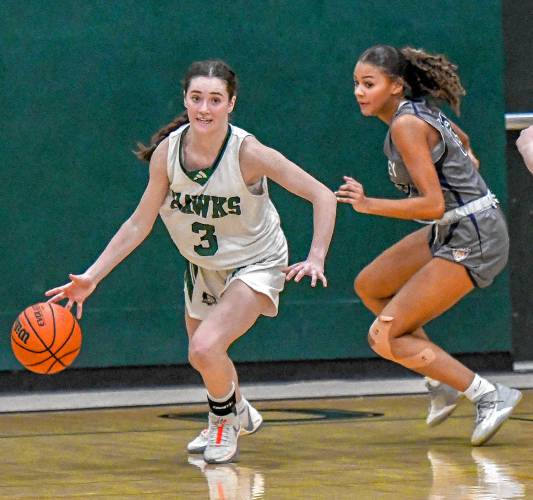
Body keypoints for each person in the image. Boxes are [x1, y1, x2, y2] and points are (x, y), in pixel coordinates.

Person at [46, 60, 337, 464]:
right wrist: (92, 277)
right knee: (204, 357)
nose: (204, 108)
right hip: (203, 265)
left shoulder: (249, 153)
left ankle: (223, 421)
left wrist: (316, 256)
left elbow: (323, 195)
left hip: (257, 261)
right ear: (185, 99)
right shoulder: (168, 153)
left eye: (215, 99)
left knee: (204, 348)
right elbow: (138, 224)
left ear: (231, 103)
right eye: (197, 98)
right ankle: (236, 409)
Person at [336, 45, 521, 446]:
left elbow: (433, 203)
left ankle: (488, 394)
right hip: (453, 225)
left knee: (384, 338)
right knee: (370, 286)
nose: (359, 92)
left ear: (396, 86)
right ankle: (441, 376)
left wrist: (369, 205)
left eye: (369, 84)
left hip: (475, 232)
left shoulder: (406, 125)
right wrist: (466, 158)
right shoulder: (415, 115)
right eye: (356, 84)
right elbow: (462, 140)